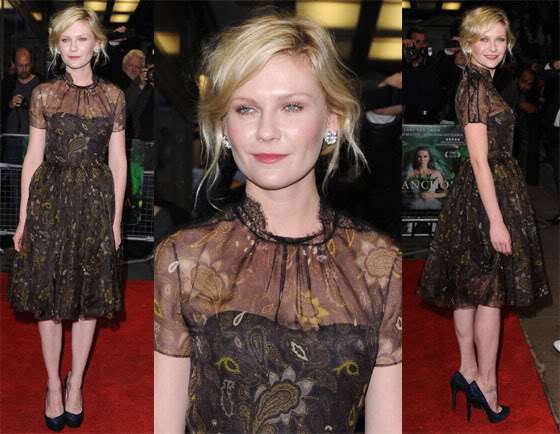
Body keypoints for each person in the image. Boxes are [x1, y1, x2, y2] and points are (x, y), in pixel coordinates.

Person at [154, 13, 402, 434]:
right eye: (246, 108)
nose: (265, 131)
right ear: (224, 126)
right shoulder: (183, 257)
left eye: (291, 107)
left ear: (332, 120)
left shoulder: (380, 263)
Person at [419, 6, 550, 424]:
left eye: (499, 39)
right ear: (468, 42)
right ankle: (487, 386)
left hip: (480, 191)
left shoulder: (479, 81)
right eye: (484, 39)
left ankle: (467, 370)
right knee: (490, 292)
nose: (492, 47)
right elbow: (479, 160)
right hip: (486, 193)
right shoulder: (476, 87)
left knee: (469, 285)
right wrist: (497, 220)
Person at [8, 6, 127, 431]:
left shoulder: (114, 97)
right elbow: (32, 157)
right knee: (50, 298)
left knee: (88, 297)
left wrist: (115, 221)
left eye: (81, 38)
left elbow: (118, 161)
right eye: (65, 40)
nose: (74, 48)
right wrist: (22, 218)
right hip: (50, 202)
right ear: (57, 46)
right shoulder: (44, 95)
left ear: (97, 43)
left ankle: (75, 381)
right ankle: (53, 386)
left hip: (94, 204)